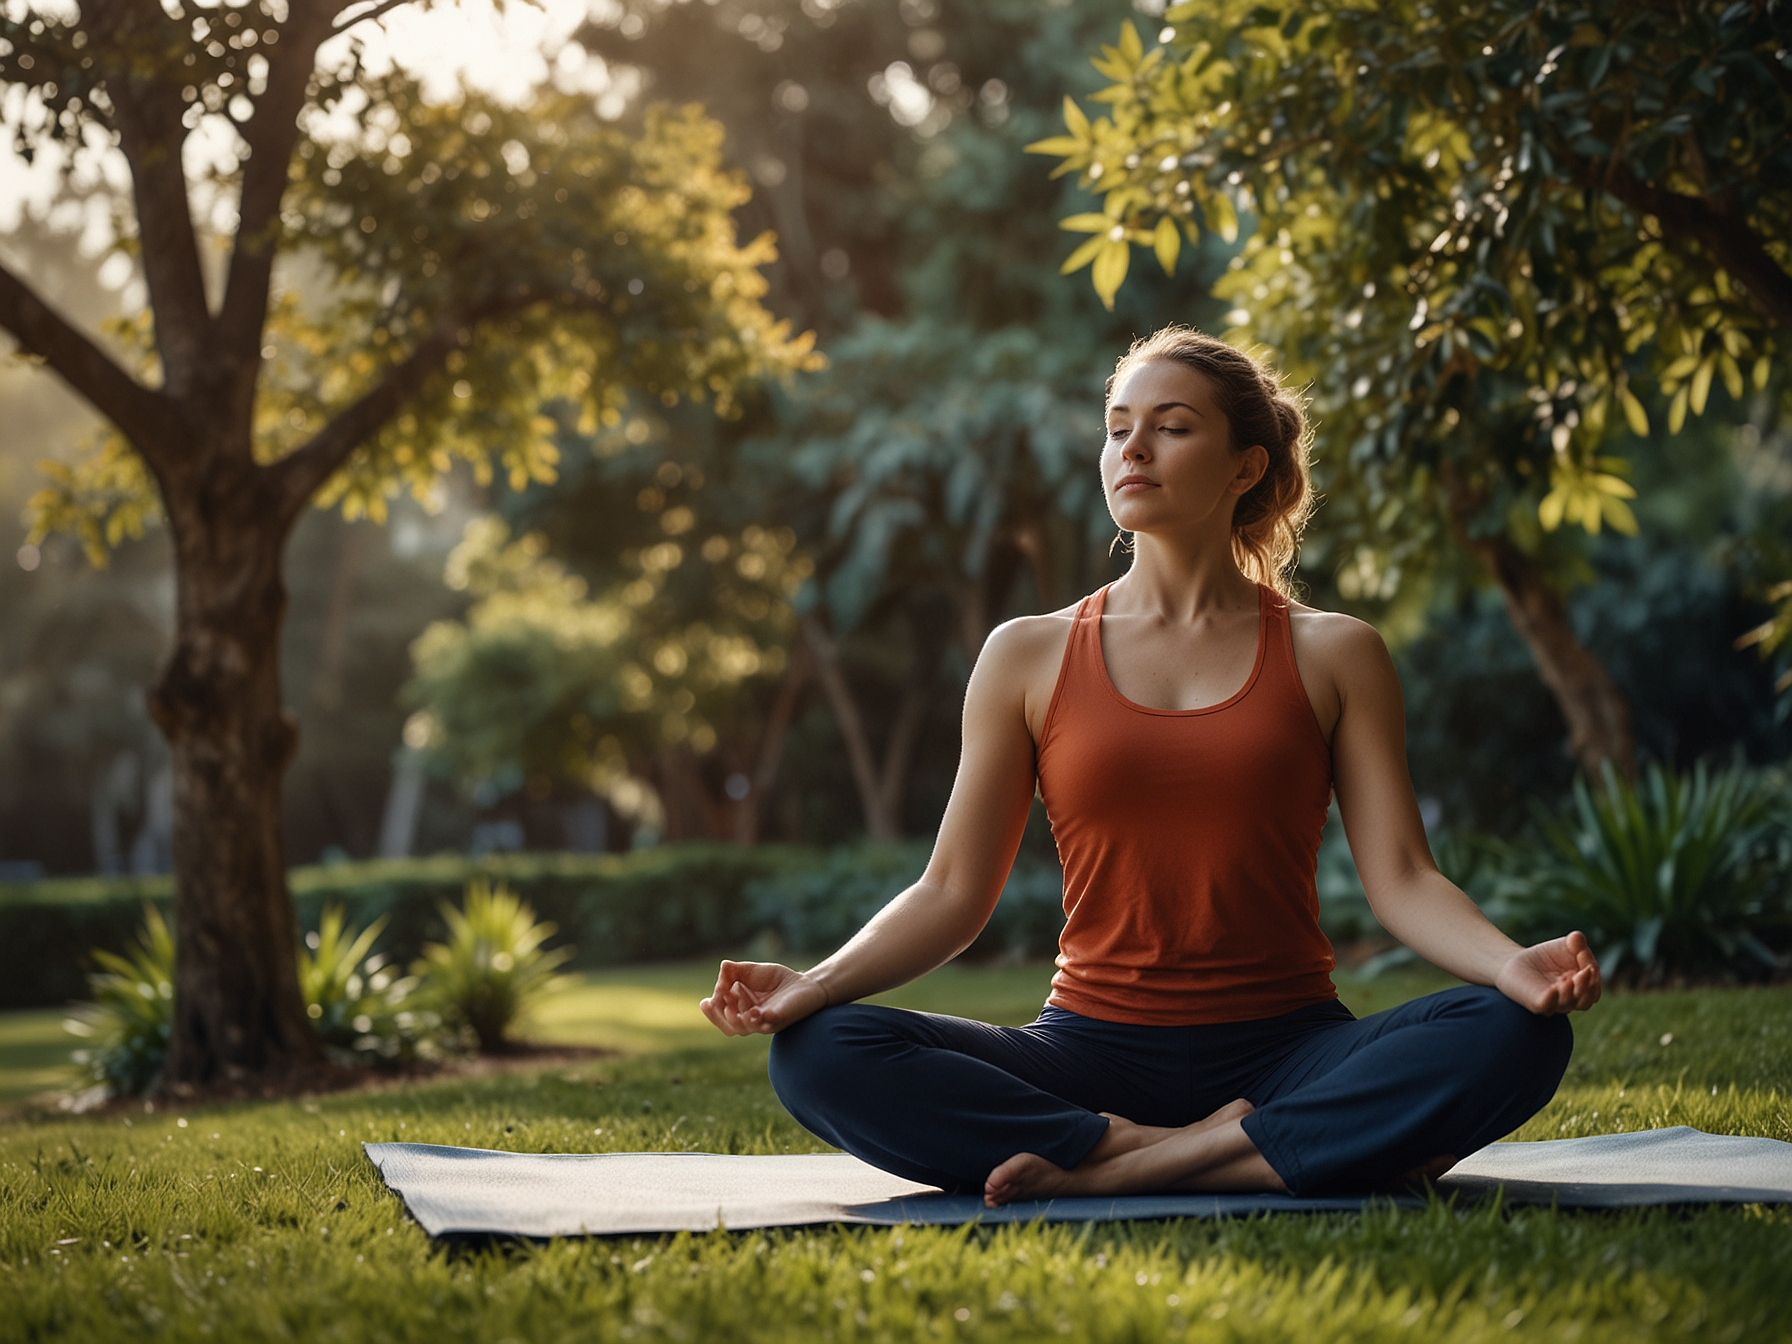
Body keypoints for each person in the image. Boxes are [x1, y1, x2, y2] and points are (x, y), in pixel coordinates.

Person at [699, 326, 1601, 1207]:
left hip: (1289, 1051)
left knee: (1514, 1033)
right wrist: (813, 984)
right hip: (1086, 1056)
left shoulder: (1335, 653)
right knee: (819, 1052)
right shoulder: (1028, 653)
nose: (1135, 448)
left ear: (1246, 466)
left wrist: (1510, 965)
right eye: (1118, 427)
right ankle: (1232, 1150)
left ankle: (1128, 1167)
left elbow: (1403, 879)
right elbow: (950, 893)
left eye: (1172, 426)